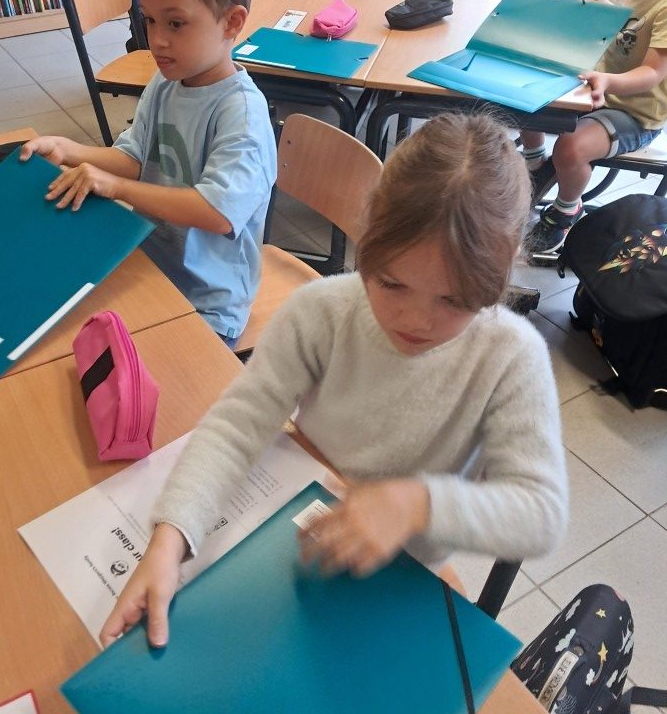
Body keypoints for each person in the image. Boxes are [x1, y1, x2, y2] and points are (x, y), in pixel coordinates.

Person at [100, 113, 568, 650]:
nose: (415, 319)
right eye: (391, 283)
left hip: (403, 576)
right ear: (368, 240)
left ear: (498, 279)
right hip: (299, 533)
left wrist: (416, 504)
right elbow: (237, 425)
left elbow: (542, 514)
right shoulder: (323, 311)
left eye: (454, 300)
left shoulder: (511, 356)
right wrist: (170, 538)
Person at [20, 0, 277, 346]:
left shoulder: (242, 115)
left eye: (175, 24)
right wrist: (70, 150)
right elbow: (135, 158)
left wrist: (115, 187)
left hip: (206, 303)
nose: (156, 40)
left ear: (232, 22)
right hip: (147, 262)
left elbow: (216, 212)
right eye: (149, 20)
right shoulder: (167, 81)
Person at [522, 0, 667, 256]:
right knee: (525, 90)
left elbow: (653, 73)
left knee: (570, 149)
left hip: (635, 111)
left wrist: (608, 82)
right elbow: (628, 24)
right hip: (602, 85)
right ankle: (534, 165)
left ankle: (566, 209)